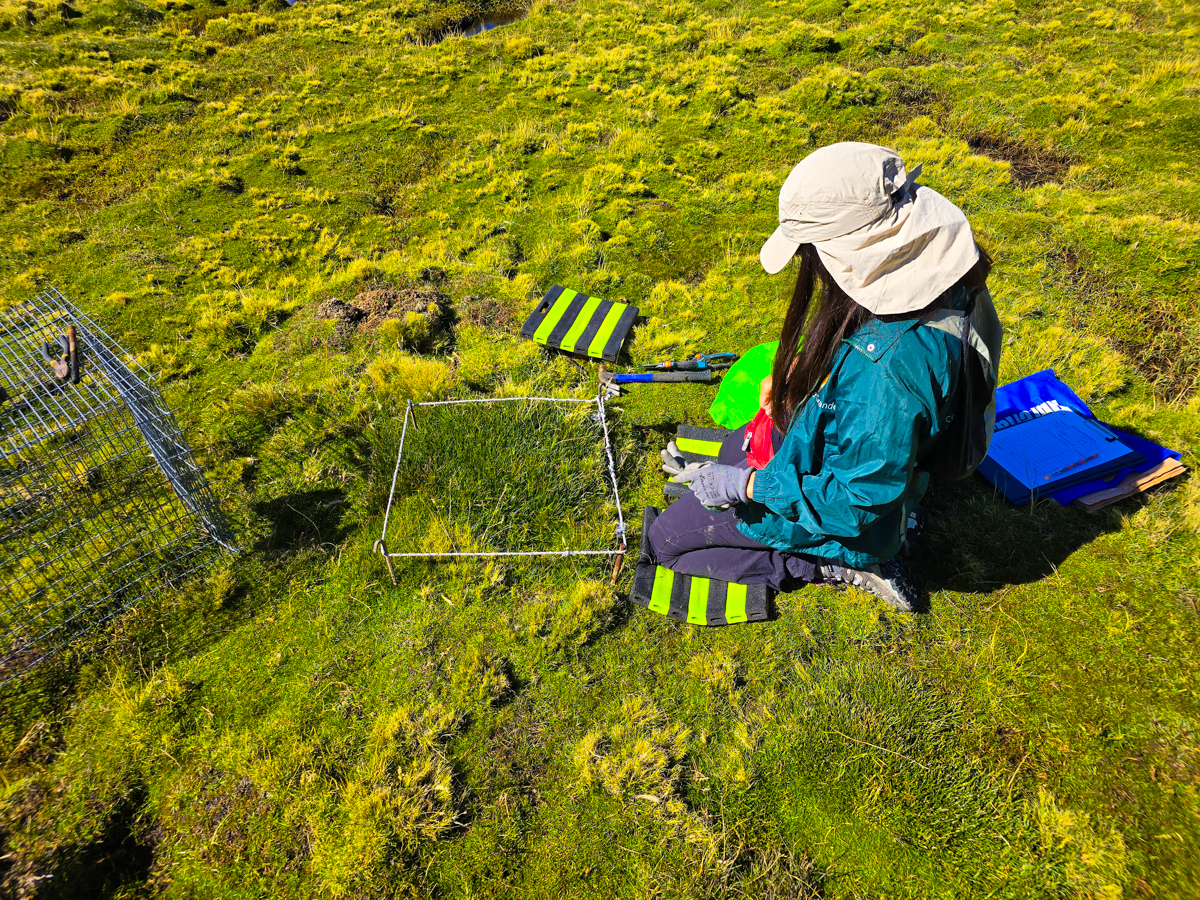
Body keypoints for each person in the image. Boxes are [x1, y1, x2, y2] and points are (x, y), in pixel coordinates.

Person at [639, 141, 1000, 612]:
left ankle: (832, 564)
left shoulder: (883, 377)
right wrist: (800, 379)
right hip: (889, 461)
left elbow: (855, 502)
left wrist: (746, 487)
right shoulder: (943, 277)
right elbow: (866, 346)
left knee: (666, 542)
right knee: (740, 448)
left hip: (857, 515)